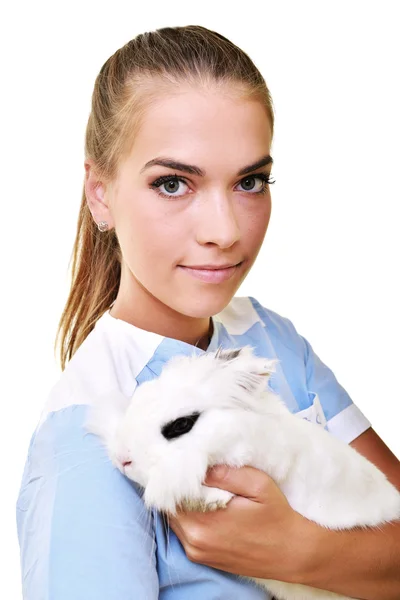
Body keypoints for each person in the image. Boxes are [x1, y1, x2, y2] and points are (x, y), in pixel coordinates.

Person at [16, 25, 400, 600]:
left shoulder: (270, 338)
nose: (224, 232)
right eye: (173, 184)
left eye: (250, 181)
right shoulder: (89, 430)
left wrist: (298, 548)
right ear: (100, 193)